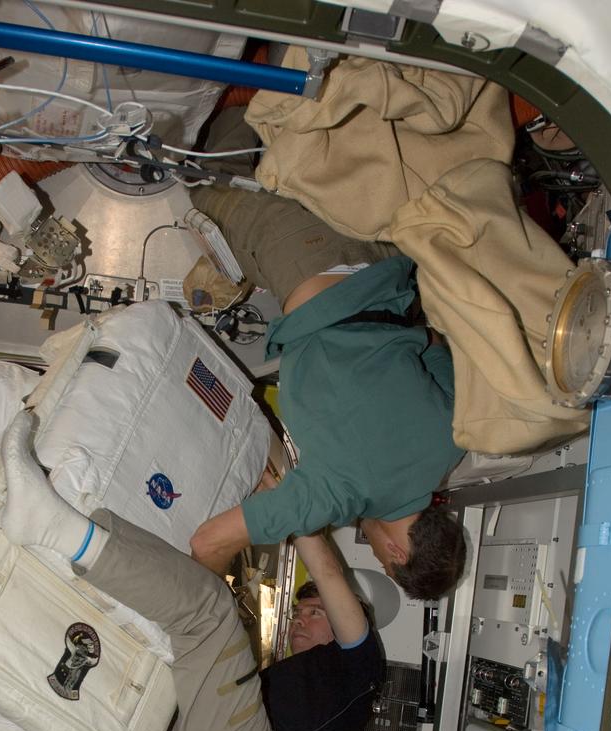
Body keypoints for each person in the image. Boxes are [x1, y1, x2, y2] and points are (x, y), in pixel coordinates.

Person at [0, 411, 384, 731]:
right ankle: (59, 534)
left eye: (315, 612)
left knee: (209, 612)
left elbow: (327, 572)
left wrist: (287, 502)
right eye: (298, 612)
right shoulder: (306, 690)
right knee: (139, 666)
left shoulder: (363, 665)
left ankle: (52, 523)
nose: (298, 620)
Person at [185, 108, 467, 600]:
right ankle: (237, 90)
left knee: (291, 144)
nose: (375, 550)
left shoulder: (455, 441)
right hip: (305, 251)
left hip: (380, 249)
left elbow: (435, 344)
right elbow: (207, 542)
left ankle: (271, 99)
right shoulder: (340, 495)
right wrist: (207, 611)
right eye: (381, 556)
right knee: (203, 184)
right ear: (397, 555)